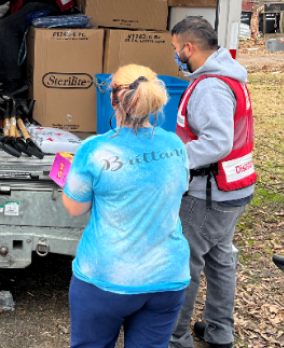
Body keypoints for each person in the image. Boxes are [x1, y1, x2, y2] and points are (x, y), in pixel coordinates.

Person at [63, 64, 191, 348]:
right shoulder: (175, 145)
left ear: (112, 99)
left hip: (105, 280)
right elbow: (179, 189)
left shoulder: (94, 150)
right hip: (167, 279)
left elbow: (75, 208)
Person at [169, 17, 256, 348]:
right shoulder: (229, 77)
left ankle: (175, 338)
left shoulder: (210, 87)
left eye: (176, 49)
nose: (175, 54)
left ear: (189, 48)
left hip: (207, 196)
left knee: (185, 266)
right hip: (233, 190)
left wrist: (176, 157)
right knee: (220, 261)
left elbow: (217, 142)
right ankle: (220, 332)